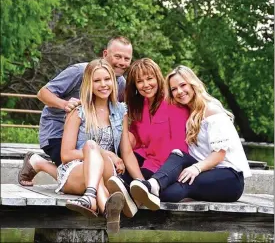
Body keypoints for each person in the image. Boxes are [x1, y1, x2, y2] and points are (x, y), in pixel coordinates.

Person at [128, 65, 252, 210]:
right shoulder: (188, 112)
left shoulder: (211, 110)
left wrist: (196, 168)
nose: (179, 91)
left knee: (175, 189)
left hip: (229, 177)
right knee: (178, 154)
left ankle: (145, 191)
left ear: (193, 84)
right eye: (174, 89)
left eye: (183, 85)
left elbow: (219, 154)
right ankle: (152, 185)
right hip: (205, 172)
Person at [18, 36, 133, 186]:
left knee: (102, 168)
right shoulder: (79, 71)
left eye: (126, 58)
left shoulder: (121, 83)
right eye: (117, 56)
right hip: (58, 132)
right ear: (105, 54)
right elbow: (43, 93)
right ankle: (39, 163)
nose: (122, 62)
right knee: (81, 174)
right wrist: (64, 104)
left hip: (91, 137)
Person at [107, 58, 189, 215]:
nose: (146, 85)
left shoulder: (173, 103)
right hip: (148, 162)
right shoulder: (139, 107)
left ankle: (131, 200)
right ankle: (129, 199)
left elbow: (181, 148)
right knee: (118, 174)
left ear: (157, 78)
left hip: (166, 168)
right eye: (140, 81)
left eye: (149, 78)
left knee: (130, 182)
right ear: (135, 86)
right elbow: (137, 144)